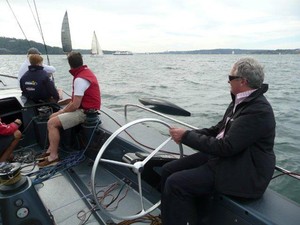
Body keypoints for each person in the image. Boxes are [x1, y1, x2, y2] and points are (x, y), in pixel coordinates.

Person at [160, 58, 276, 225]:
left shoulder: (258, 110)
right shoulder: (241, 101)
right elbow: (218, 130)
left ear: (242, 81)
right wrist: (188, 134)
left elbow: (226, 146)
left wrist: (186, 137)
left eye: (230, 77)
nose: (227, 81)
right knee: (168, 170)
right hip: (229, 159)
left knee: (175, 184)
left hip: (244, 173)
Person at [37, 51, 101, 167]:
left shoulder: (79, 79)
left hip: (86, 113)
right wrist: (61, 107)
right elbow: (75, 100)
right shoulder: (86, 72)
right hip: (86, 108)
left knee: (51, 122)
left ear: (70, 65)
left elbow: (75, 105)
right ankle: (50, 150)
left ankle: (53, 156)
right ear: (81, 61)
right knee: (52, 117)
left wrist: (61, 111)